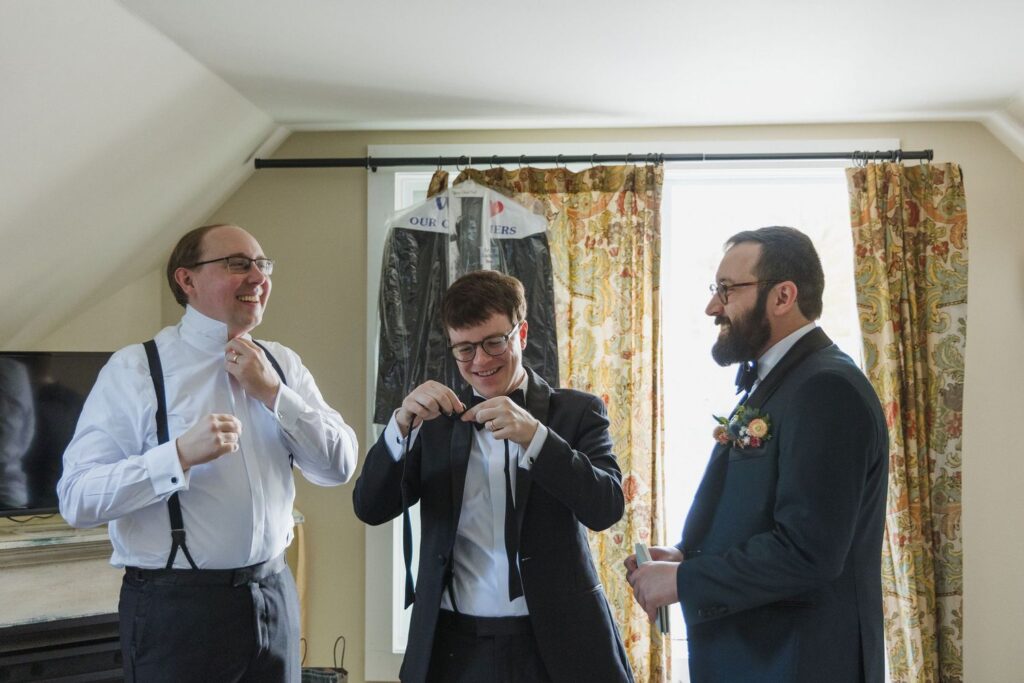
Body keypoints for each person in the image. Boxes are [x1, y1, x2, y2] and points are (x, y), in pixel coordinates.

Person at [58, 224, 358, 682]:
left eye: (263, 265)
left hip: (273, 597)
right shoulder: (136, 369)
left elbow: (338, 467)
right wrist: (176, 456)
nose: (258, 277)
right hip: (178, 613)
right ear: (187, 280)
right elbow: (77, 499)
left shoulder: (282, 364)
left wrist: (276, 395)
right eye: (238, 264)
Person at [626, 226, 888, 682]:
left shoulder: (826, 388)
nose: (713, 307)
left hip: (797, 663)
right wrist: (688, 558)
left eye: (727, 290)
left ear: (783, 296)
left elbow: (808, 550)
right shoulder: (783, 380)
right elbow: (761, 517)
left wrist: (685, 582)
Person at [354, 270, 634, 683]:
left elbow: (606, 508)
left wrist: (537, 438)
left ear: (522, 334)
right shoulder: (434, 422)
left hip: (557, 644)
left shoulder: (578, 412)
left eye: (494, 342)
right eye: (465, 349)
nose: (481, 361)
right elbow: (369, 508)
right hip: (451, 648)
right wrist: (399, 428)